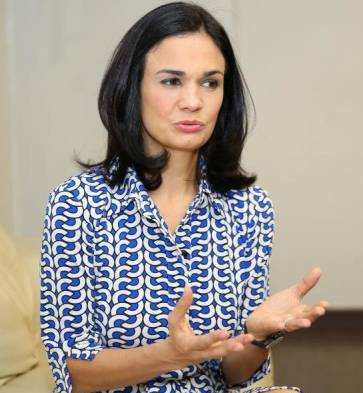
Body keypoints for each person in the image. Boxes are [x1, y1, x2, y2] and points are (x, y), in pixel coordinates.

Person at [39, 2, 328, 392]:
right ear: (132, 87)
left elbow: (233, 373)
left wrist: (258, 336)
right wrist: (172, 354)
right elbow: (75, 372)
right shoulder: (77, 204)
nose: (193, 101)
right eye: (171, 81)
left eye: (210, 82)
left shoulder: (250, 209)